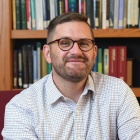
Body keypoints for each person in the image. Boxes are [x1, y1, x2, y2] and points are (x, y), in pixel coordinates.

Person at [2, 12, 140, 140]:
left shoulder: (119, 92)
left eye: (84, 43)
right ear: (48, 53)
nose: (76, 51)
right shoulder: (21, 107)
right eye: (65, 43)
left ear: (94, 52)